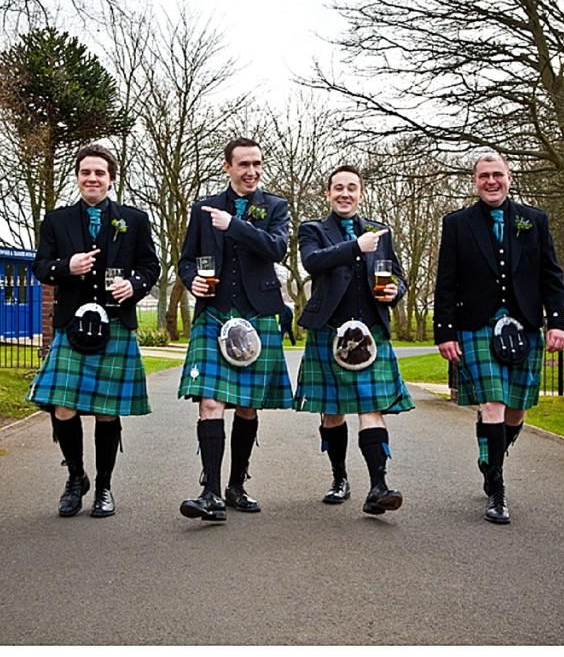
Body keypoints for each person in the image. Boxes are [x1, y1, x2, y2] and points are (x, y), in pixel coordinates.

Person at [433, 151, 564, 525]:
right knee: (492, 404)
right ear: (474, 182)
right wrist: (445, 331)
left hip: (524, 323)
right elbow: (446, 281)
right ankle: (497, 489)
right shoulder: (458, 223)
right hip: (476, 324)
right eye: (483, 176)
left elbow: (550, 275)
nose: (491, 182)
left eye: (497, 175)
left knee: (516, 409)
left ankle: (488, 456)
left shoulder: (533, 220)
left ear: (510, 177)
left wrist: (557, 321)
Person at [27, 144, 161, 518]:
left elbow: (151, 266)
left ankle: (104, 487)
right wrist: (66, 266)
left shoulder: (134, 220)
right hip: (72, 325)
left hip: (115, 322)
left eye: (99, 173)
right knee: (63, 406)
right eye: (86, 172)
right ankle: (75, 477)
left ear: (111, 179)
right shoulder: (57, 220)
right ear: (78, 177)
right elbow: (41, 266)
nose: (92, 179)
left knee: (106, 411)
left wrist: (134, 285)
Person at [176, 137, 294, 522]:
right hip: (214, 314)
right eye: (243, 164)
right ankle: (209, 491)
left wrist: (236, 226)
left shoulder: (275, 207)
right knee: (210, 402)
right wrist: (192, 279)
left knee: (247, 405)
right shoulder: (202, 209)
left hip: (258, 313)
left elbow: (277, 249)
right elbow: (186, 260)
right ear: (227, 167)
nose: (251, 171)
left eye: (257, 164)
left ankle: (236, 485)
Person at [294, 164, 414, 515]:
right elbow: (313, 263)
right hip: (330, 331)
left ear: (361, 193)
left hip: (371, 332)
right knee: (332, 413)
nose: (345, 193)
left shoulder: (381, 232)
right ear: (328, 194)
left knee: (370, 408)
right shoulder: (312, 230)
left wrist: (395, 291)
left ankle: (379, 485)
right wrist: (355, 247)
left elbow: (398, 276)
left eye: (351, 188)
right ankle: (339, 478)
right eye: (338, 188)